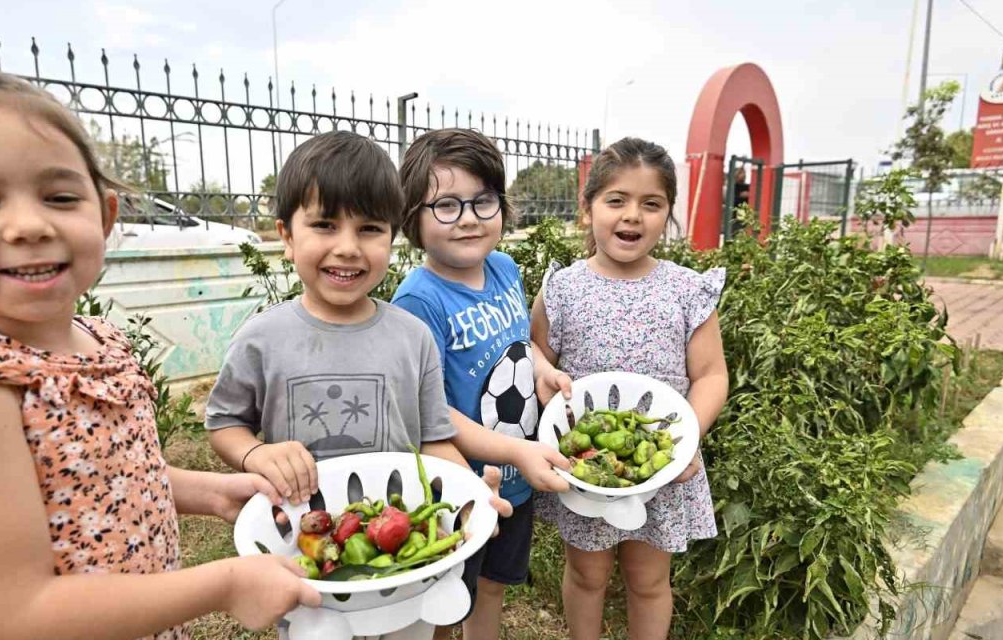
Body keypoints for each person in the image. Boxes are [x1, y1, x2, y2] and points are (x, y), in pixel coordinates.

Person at [0, 66, 318, 640]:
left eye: (59, 196)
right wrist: (224, 584)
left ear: (104, 216)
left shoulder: (96, 341)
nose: (28, 224)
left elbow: (99, 478)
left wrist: (214, 490)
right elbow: (12, 613)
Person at [204, 130, 514, 636]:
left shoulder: (412, 338)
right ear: (286, 236)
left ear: (392, 235)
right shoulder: (262, 339)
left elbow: (434, 437)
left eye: (369, 228)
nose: (347, 249)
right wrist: (255, 455)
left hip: (400, 545)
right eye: (324, 225)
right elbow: (224, 425)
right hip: (307, 554)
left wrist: (468, 494)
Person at [532, 137, 729, 640]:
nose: (632, 217)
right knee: (587, 573)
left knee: (648, 579)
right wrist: (553, 419)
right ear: (588, 209)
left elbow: (710, 376)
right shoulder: (563, 288)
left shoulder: (687, 290)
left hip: (660, 463)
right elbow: (538, 365)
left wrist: (687, 437)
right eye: (615, 200)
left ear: (668, 215)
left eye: (651, 204)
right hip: (587, 464)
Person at [391, 128, 571, 640]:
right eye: (446, 205)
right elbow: (433, 415)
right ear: (413, 220)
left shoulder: (505, 269)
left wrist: (541, 368)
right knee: (446, 597)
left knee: (491, 588)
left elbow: (521, 341)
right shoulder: (419, 303)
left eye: (482, 201)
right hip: (459, 486)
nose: (468, 217)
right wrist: (515, 455)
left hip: (518, 473)